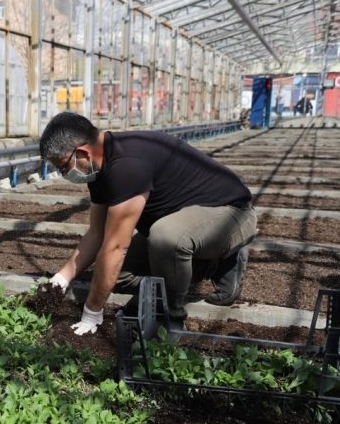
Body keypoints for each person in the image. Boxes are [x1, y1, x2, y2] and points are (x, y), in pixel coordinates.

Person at [40, 112, 257, 335]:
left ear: (82, 152)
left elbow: (116, 246)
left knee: (165, 238)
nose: (63, 173)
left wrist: (92, 311)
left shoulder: (128, 165)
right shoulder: (98, 167)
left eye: (63, 167)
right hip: (188, 221)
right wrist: (61, 279)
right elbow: (96, 234)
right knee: (115, 275)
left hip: (231, 214)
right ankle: (212, 266)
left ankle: (169, 321)